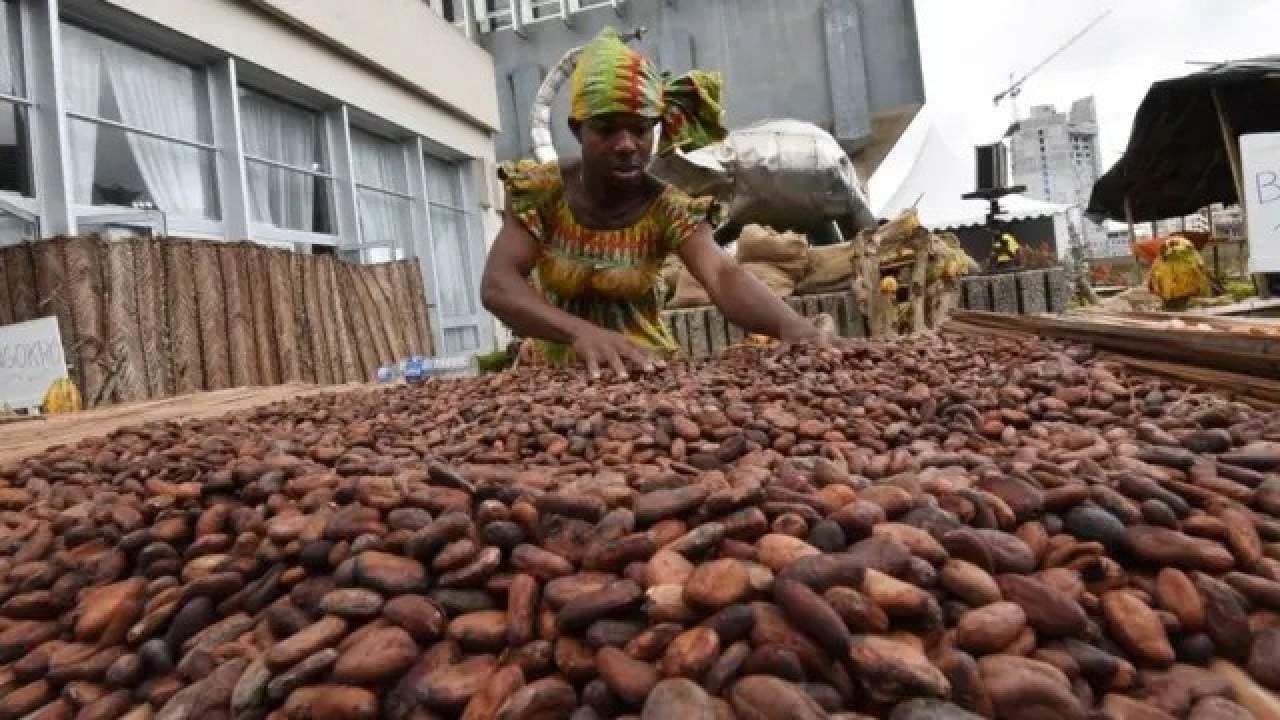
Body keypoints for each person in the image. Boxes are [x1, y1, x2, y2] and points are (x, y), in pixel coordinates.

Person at [480, 28, 835, 379]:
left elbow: (723, 274)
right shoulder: (541, 192)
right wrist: (580, 332)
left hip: (642, 370)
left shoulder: (667, 208)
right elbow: (499, 284)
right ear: (577, 130)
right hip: (551, 378)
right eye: (606, 129)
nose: (626, 145)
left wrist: (791, 325)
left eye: (640, 130)